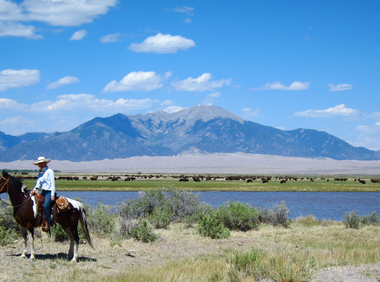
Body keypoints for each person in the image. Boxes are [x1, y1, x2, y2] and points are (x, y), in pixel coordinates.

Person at [30, 156, 56, 232]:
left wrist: (52, 194)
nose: (40, 165)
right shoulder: (40, 174)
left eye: (41, 163)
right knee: (36, 204)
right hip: (43, 192)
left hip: (49, 191)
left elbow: (52, 183)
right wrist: (34, 190)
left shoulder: (50, 171)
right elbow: (38, 184)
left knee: (46, 206)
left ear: (45, 163)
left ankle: (48, 223)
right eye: (39, 164)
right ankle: (39, 221)